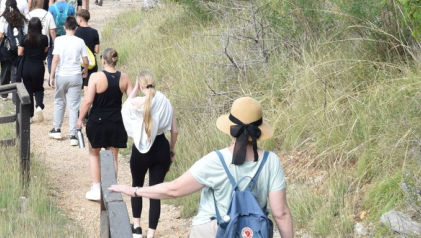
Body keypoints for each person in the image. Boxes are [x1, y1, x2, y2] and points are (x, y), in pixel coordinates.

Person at [109, 96, 294, 238]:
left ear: (231, 128)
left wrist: (134, 190)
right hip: (251, 232)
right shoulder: (271, 161)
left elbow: (173, 190)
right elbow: (281, 214)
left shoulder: (216, 161)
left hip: (212, 230)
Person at [121, 71, 178, 237]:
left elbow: (125, 106)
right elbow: (174, 130)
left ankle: (137, 228)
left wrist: (135, 89)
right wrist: (171, 149)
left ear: (140, 85)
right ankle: (151, 233)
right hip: (161, 148)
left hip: (140, 150)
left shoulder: (136, 102)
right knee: (156, 191)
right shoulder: (165, 101)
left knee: (136, 186)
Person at [77, 47, 131, 201]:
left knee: (94, 153)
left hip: (98, 119)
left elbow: (88, 101)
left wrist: (80, 119)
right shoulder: (125, 78)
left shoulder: (96, 77)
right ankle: (112, 189)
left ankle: (96, 188)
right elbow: (132, 100)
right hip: (116, 120)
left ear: (103, 60)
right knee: (113, 156)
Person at [49, 15, 89, 145]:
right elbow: (85, 60)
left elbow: (55, 59)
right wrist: (86, 70)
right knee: (73, 105)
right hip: (76, 75)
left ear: (65, 27)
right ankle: (73, 135)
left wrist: (51, 75)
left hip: (62, 74)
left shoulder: (59, 40)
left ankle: (57, 129)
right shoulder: (80, 41)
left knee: (59, 101)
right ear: (76, 28)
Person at [0, 0, 26, 102]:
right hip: (19, 48)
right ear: (16, 6)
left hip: (7, 48)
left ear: (6, 6)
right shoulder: (21, 18)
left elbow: (0, 34)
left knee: (5, 71)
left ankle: (3, 94)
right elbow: (25, 33)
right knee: (15, 72)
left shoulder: (3, 18)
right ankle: (15, 98)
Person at [18, 17, 49, 122]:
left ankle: (29, 116)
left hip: (26, 67)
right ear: (40, 26)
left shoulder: (25, 38)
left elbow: (19, 53)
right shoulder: (44, 38)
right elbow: (45, 53)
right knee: (39, 88)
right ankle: (39, 106)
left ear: (29, 27)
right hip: (38, 67)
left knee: (29, 91)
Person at [29, 0, 58, 74]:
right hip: (44, 41)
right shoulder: (47, 14)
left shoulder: (29, 14)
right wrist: (54, 42)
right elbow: (52, 30)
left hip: (31, 40)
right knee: (43, 59)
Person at [74, 8, 100, 88]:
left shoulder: (76, 32)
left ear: (80, 20)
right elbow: (96, 50)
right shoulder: (94, 32)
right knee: (89, 87)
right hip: (91, 63)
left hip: (79, 63)